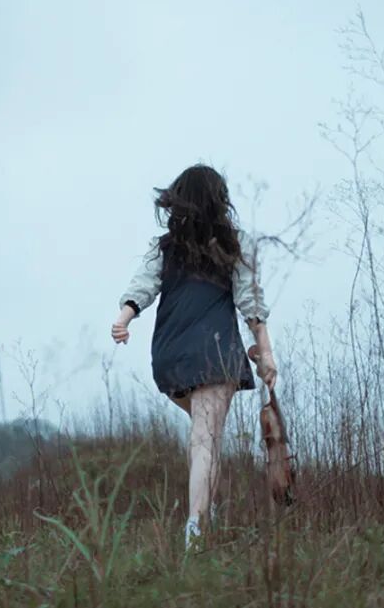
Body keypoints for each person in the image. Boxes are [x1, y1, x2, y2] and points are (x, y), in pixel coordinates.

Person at [111, 164, 278, 550]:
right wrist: (265, 351)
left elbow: (142, 285)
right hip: (214, 350)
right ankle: (197, 530)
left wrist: (124, 318)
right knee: (206, 438)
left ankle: (206, 514)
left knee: (205, 436)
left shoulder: (165, 246)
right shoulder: (234, 244)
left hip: (169, 354)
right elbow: (250, 301)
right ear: (220, 200)